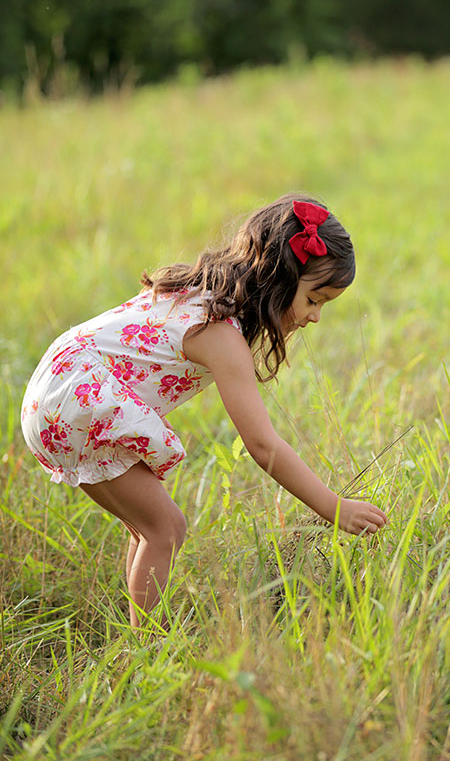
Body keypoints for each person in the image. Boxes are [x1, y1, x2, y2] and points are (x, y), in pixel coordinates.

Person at [21, 195, 388, 627]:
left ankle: (141, 639)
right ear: (278, 278)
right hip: (75, 398)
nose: (315, 317)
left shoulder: (205, 292)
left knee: (148, 528)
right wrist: (333, 505)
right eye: (314, 299)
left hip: (58, 390)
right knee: (166, 529)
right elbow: (262, 444)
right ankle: (146, 648)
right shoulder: (219, 333)